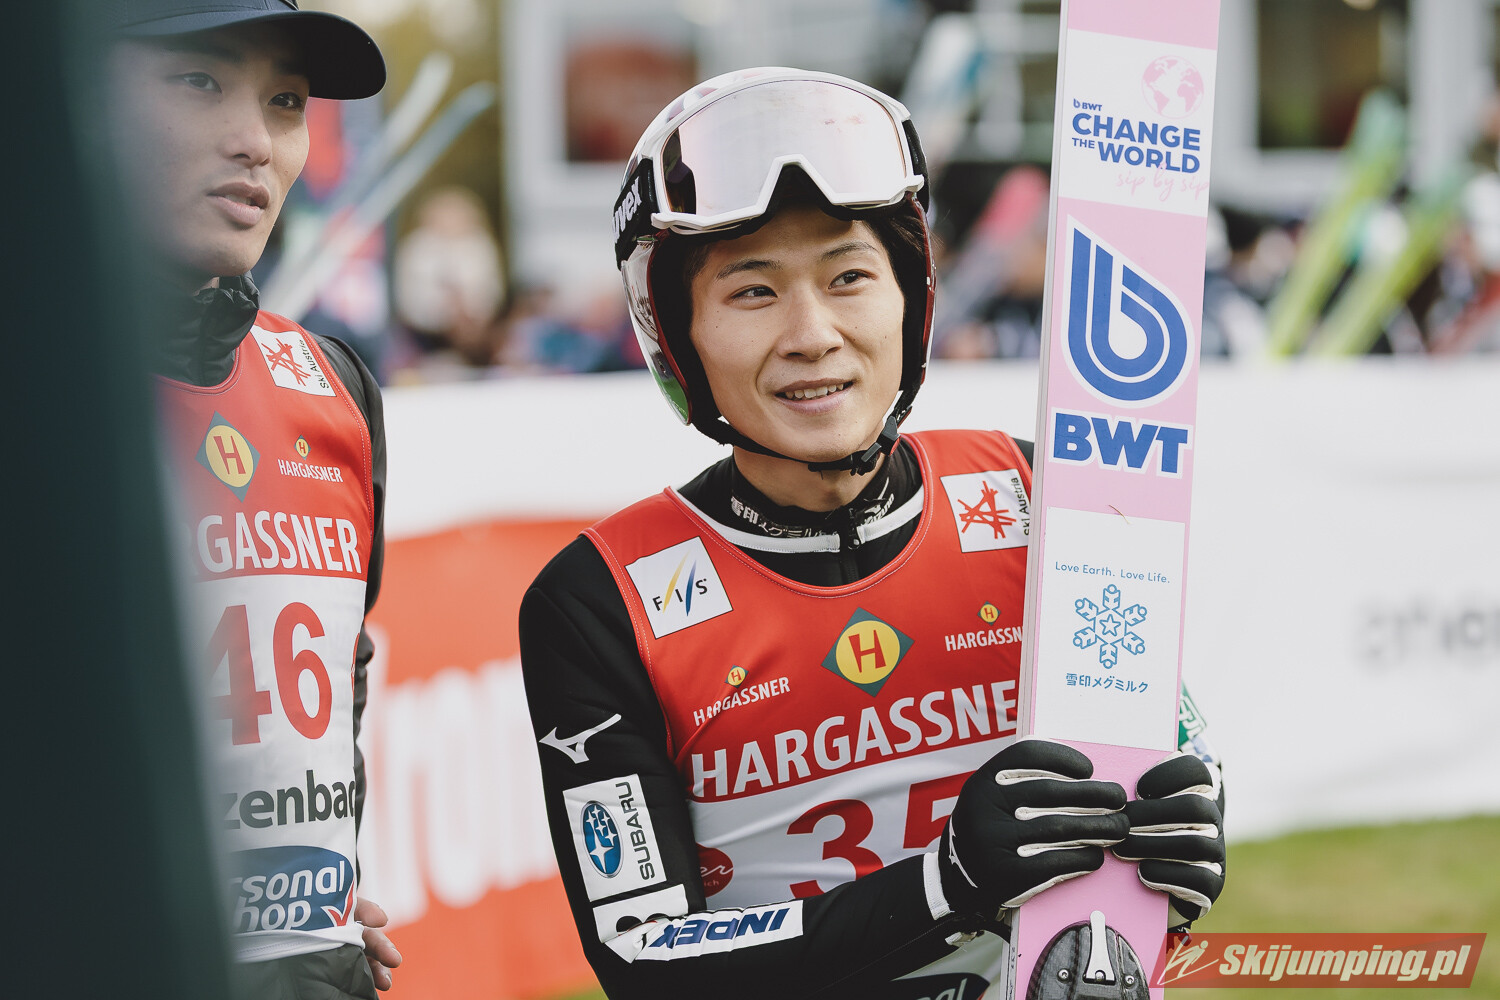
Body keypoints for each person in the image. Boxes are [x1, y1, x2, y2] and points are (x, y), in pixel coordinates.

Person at [519, 68, 1226, 999]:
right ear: (676, 336)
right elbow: (642, 958)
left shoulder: (1038, 493)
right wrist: (943, 886)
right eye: (753, 292)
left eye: (849, 276)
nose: (813, 334)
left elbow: (1170, 751)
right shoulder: (599, 600)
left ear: (911, 297)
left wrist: (1185, 824)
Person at [104, 1, 401, 996]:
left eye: (285, 101)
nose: (256, 142)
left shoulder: (334, 385)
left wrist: (314, 913)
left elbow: (337, 683)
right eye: (201, 81)